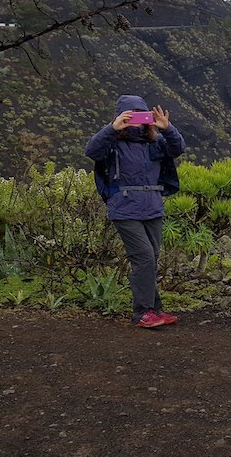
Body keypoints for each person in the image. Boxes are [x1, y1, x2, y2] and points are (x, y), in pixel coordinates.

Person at [85, 95, 186, 328]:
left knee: (151, 258)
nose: (137, 120)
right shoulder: (112, 143)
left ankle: (155, 309)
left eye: (141, 114)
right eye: (131, 115)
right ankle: (142, 313)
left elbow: (177, 148)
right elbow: (91, 151)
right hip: (124, 208)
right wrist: (112, 128)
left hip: (152, 207)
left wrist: (167, 127)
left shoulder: (156, 141)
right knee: (144, 256)